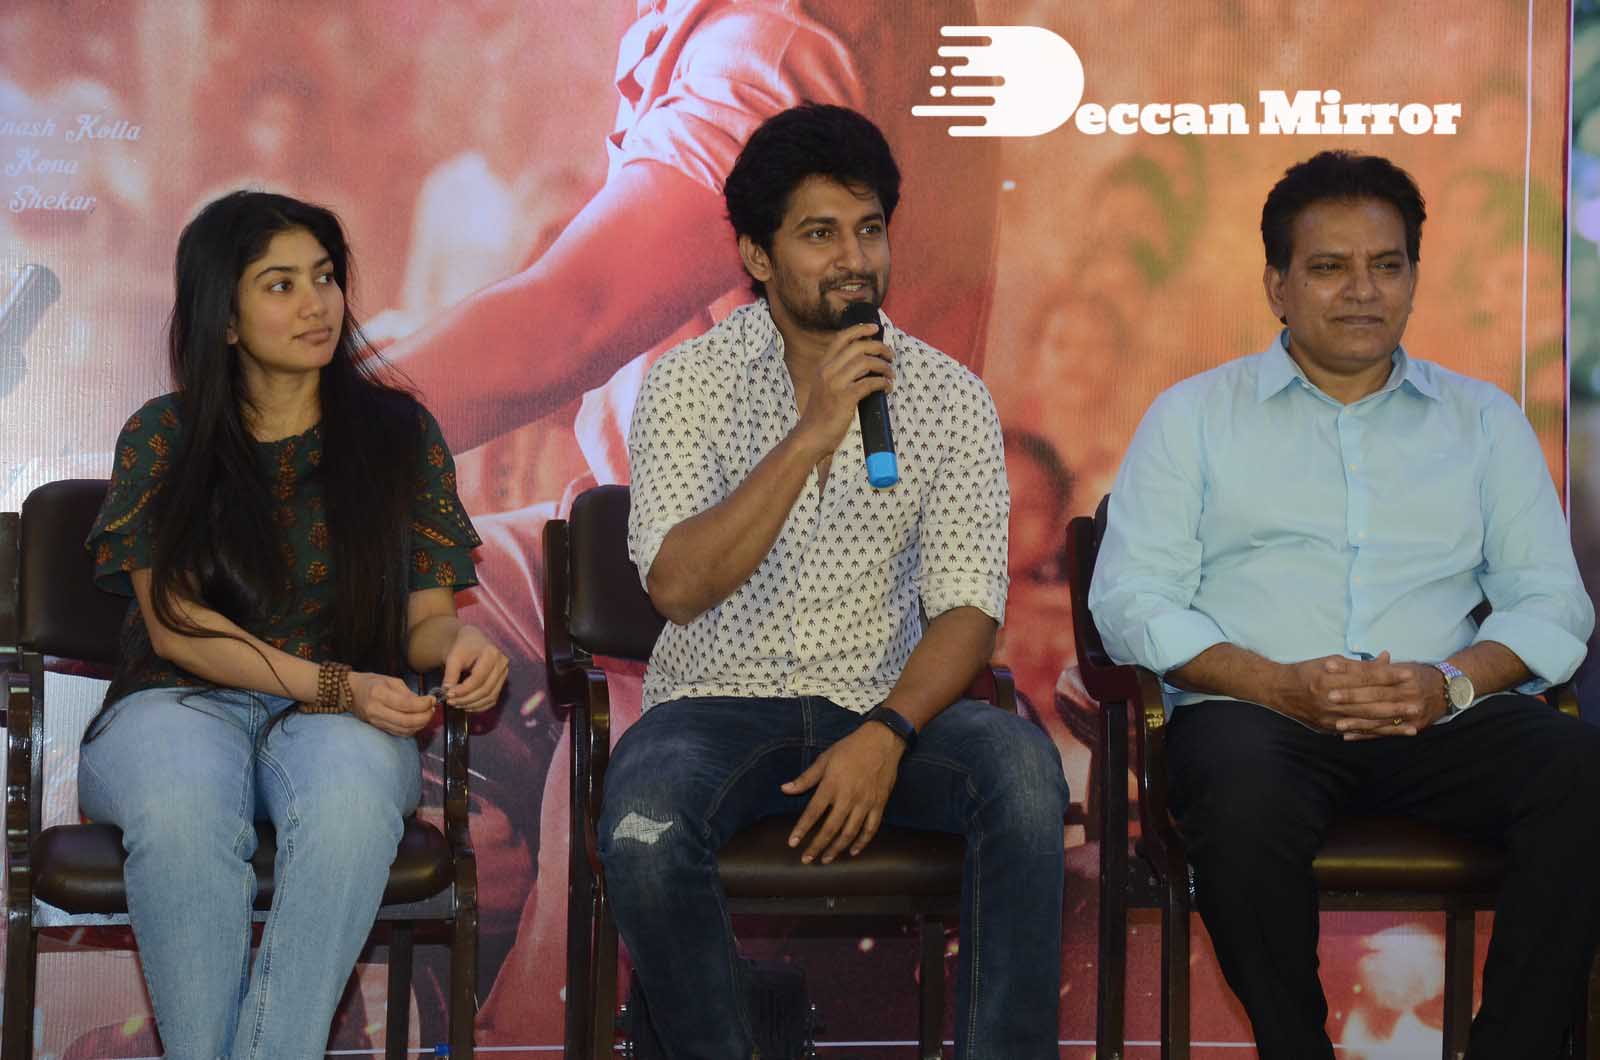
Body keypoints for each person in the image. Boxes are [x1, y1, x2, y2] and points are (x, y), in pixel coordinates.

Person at [1089, 150, 1600, 1058]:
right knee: (1239, 794)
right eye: (1329, 267)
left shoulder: (1483, 420)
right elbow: (1132, 595)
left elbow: (1552, 600)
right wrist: (1276, 684)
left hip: (1439, 716)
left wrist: (1449, 683)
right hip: (1258, 717)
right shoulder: (1193, 417)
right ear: (1277, 286)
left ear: (1414, 277)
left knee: (1581, 774)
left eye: (1387, 265)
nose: (1363, 291)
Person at [600, 102, 1068, 1058]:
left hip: (887, 705)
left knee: (1024, 774)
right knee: (644, 827)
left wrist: (889, 732)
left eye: (869, 229)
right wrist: (811, 433)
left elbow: (969, 610)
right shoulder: (689, 383)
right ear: (757, 255)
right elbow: (677, 587)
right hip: (716, 706)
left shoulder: (948, 396)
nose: (855, 258)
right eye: (820, 234)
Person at [79, 190, 509, 1060]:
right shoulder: (164, 435)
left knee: (351, 806)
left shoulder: (398, 434)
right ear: (224, 319)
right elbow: (176, 627)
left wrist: (462, 642)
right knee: (180, 811)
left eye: (323, 277)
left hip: (341, 717)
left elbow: (426, 622)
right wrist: (337, 684)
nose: (316, 303)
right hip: (177, 701)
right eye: (280, 284)